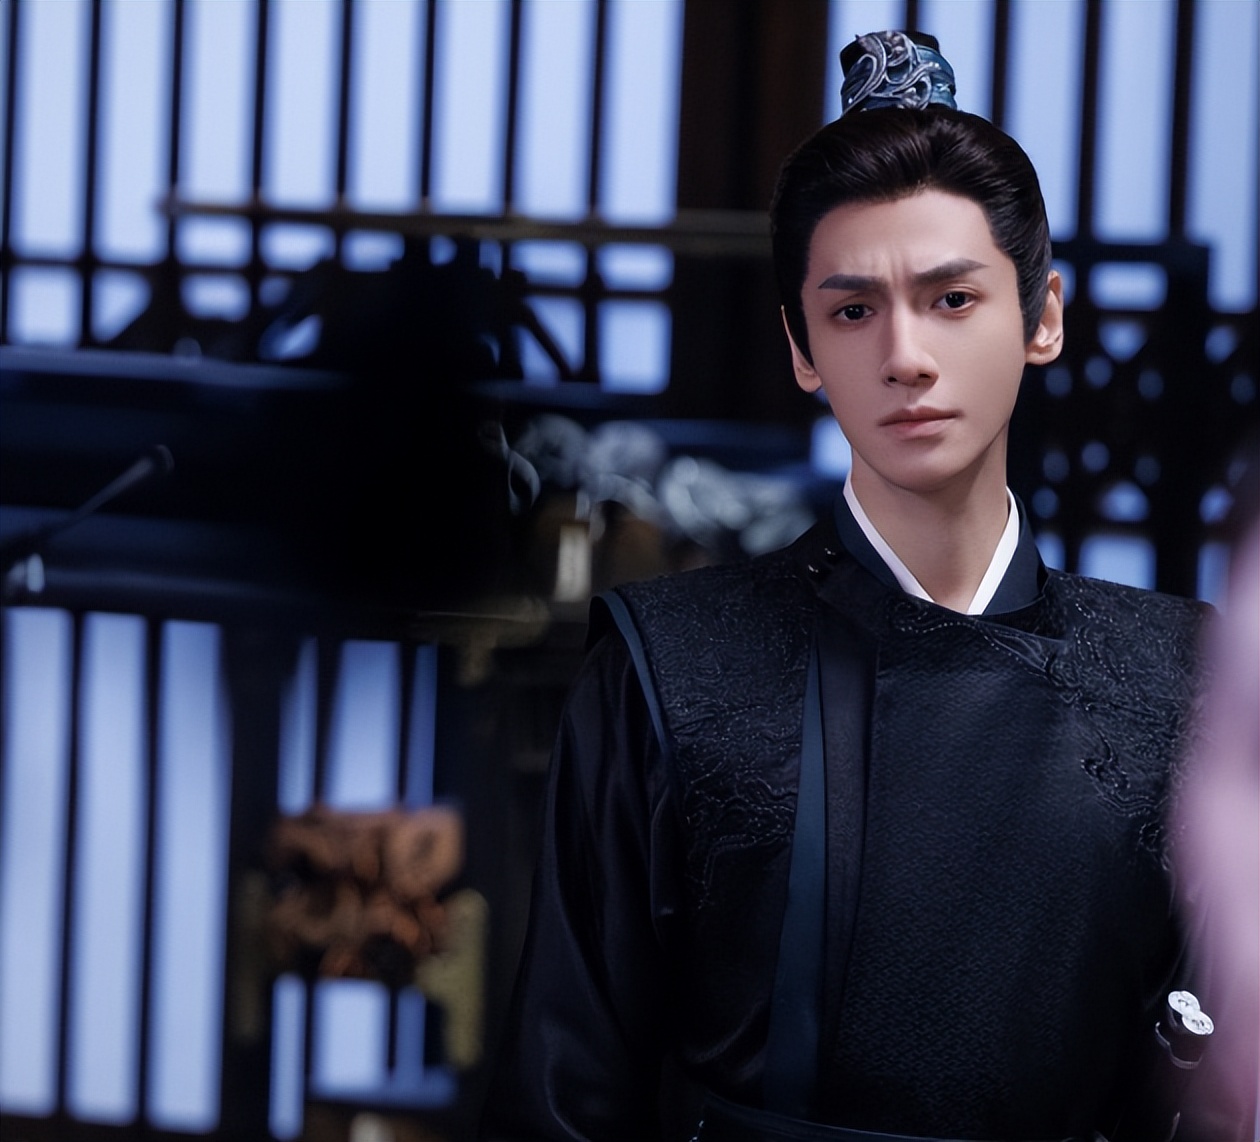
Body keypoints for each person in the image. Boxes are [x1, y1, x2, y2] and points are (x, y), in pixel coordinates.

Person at [482, 31, 1211, 1142]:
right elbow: (564, 1090)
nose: (905, 356)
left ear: (1043, 316)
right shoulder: (669, 666)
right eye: (855, 310)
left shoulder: (1178, 673)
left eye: (953, 298)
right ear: (802, 347)